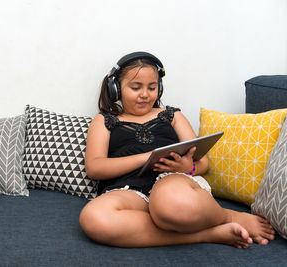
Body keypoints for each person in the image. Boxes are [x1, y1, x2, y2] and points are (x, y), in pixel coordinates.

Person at [79, 51, 275, 248]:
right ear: (116, 89)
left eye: (152, 87)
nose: (145, 94)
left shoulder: (171, 115)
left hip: (172, 181)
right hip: (128, 191)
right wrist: (146, 157)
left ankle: (227, 215)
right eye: (135, 87)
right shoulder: (104, 121)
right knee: (94, 217)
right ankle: (209, 234)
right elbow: (95, 167)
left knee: (171, 203)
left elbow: (203, 162)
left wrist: (186, 169)